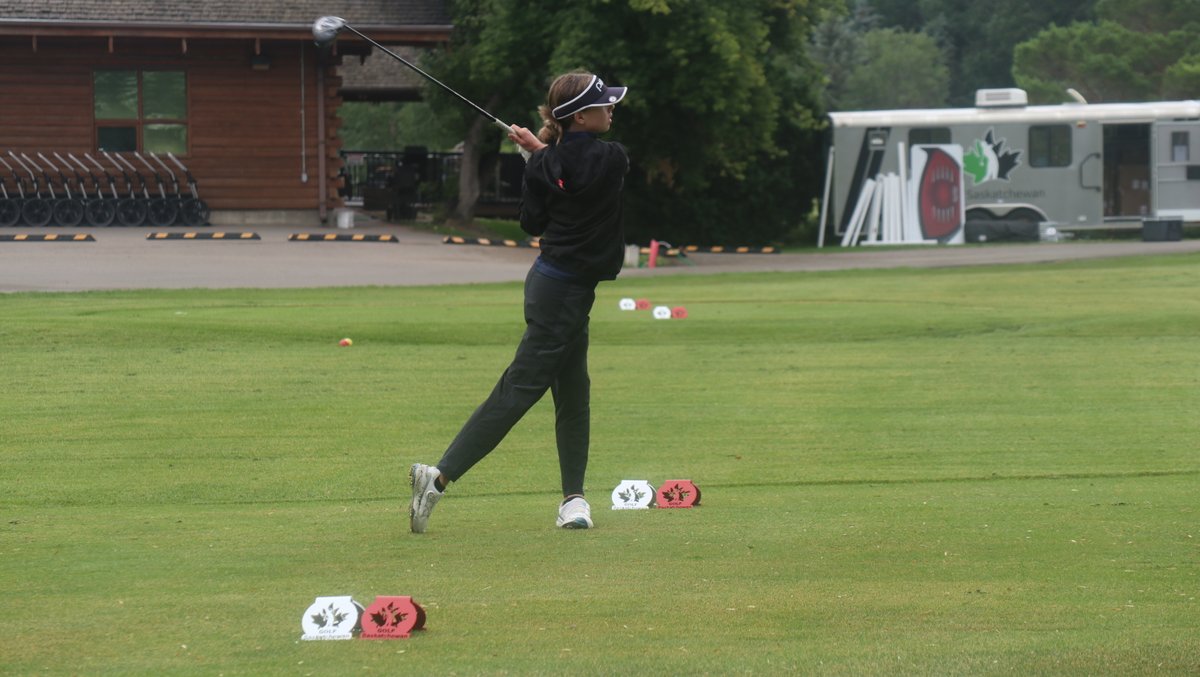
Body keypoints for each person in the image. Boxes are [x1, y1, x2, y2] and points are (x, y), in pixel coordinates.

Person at [408, 71, 630, 533]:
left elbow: (532, 221)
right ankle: (439, 476)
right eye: (604, 104)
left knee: (574, 392)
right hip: (562, 292)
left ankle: (574, 500)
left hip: (555, 285)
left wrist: (539, 158)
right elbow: (583, 172)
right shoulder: (612, 158)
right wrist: (543, 155)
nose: (612, 108)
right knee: (520, 389)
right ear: (580, 116)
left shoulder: (544, 163)